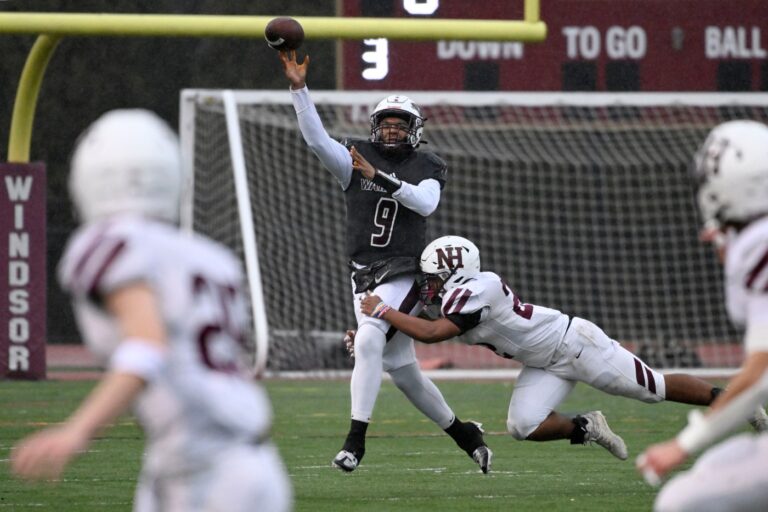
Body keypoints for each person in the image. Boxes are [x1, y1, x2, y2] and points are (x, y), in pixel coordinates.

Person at [10, 110, 293, 512]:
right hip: (244, 463)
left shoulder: (107, 244)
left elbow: (146, 346)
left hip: (203, 472)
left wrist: (77, 431)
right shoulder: (211, 258)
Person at [359, 235, 768, 460]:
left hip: (575, 345)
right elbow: (427, 326)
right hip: (542, 363)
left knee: (653, 389)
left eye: (433, 277)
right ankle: (587, 426)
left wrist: (383, 310)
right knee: (522, 426)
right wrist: (377, 330)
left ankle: (736, 399)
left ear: (455, 271)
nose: (427, 285)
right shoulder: (457, 297)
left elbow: (432, 334)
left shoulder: (478, 288)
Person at [277, 50, 491, 473]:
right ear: (375, 128)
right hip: (362, 275)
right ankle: (466, 435)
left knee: (371, 340)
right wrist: (299, 89)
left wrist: (381, 178)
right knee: (404, 370)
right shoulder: (355, 160)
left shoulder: (426, 164)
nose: (392, 131)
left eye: (400, 124)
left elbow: (426, 204)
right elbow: (317, 139)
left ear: (414, 131)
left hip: (405, 271)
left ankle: (355, 441)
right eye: (386, 124)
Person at [636, 120, 768, 511]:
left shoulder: (757, 243)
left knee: (679, 501)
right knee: (717, 464)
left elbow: (761, 372)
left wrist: (684, 443)